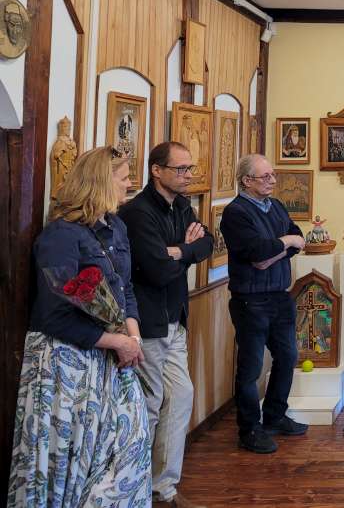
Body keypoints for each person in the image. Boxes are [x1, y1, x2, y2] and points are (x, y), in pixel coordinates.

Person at [7, 147, 151, 505]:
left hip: (114, 355)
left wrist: (132, 337)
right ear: (101, 182)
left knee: (130, 446)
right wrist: (116, 341)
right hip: (66, 362)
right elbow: (53, 314)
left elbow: (125, 289)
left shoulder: (117, 227)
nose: (130, 184)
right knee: (68, 459)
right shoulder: (60, 236)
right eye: (124, 178)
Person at [119, 141, 214, 507]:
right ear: (156, 170)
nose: (188, 175)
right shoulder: (138, 213)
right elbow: (158, 271)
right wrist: (183, 251)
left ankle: (164, 488)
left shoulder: (183, 206)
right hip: (148, 323)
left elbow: (207, 243)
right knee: (149, 404)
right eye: (181, 169)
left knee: (180, 396)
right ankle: (135, 487)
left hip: (175, 318)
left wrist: (179, 250)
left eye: (190, 168)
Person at [221, 154, 308, 454]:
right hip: (251, 299)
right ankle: (249, 429)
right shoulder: (236, 213)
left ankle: (274, 415)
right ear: (247, 181)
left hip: (280, 295)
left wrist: (275, 252)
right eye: (265, 176)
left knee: (287, 356)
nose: (272, 180)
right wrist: (284, 244)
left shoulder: (277, 206)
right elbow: (257, 250)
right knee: (251, 368)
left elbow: (298, 237)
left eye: (273, 175)